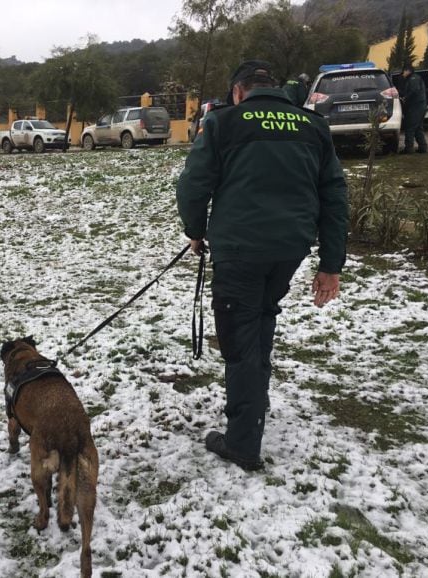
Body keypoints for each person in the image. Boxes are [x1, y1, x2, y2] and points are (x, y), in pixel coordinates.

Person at [175, 59, 348, 472]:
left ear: (238, 92)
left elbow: (193, 185)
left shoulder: (222, 124)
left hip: (239, 251)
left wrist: (195, 231)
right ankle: (255, 401)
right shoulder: (312, 126)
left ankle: (242, 444)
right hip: (289, 250)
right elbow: (335, 196)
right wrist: (331, 264)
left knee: (240, 342)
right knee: (260, 321)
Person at [399, 62, 428, 153]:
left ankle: (409, 148)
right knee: (418, 127)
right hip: (419, 105)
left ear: (407, 71)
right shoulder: (413, 79)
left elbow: (414, 90)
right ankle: (422, 147)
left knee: (410, 126)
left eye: (403, 72)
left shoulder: (413, 78)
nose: (402, 74)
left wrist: (405, 98)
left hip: (416, 106)